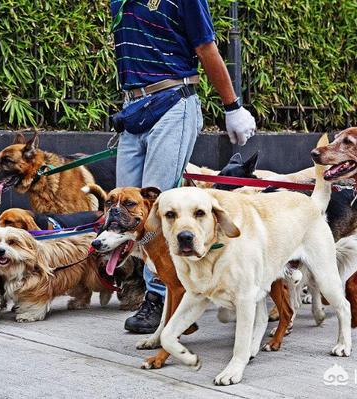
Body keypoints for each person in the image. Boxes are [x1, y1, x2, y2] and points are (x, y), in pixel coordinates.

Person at [110, 0, 256, 333]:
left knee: (160, 208)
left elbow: (205, 47)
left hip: (173, 101)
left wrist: (232, 107)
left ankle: (162, 297)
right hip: (133, 107)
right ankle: (167, 287)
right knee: (129, 211)